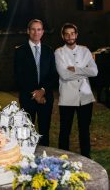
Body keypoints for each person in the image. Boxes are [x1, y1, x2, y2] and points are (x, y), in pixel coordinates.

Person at [55, 23, 98, 158]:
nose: (70, 36)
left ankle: (86, 157)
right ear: (63, 36)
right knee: (65, 130)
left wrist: (76, 69)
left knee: (84, 130)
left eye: (72, 33)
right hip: (67, 97)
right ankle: (62, 157)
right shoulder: (59, 52)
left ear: (76, 35)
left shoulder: (85, 51)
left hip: (85, 97)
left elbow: (95, 71)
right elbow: (64, 75)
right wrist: (85, 71)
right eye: (66, 34)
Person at [14, 19, 58, 146]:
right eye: (33, 29)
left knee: (45, 132)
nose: (36, 32)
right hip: (27, 98)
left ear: (43, 32)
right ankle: (27, 160)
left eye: (39, 29)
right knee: (26, 133)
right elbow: (18, 76)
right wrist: (35, 94)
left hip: (46, 97)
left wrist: (42, 91)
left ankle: (45, 161)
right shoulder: (20, 51)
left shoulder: (48, 51)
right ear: (28, 31)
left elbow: (53, 75)